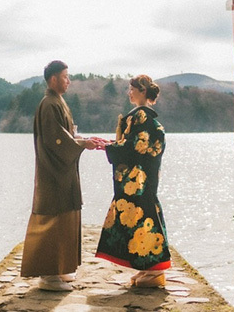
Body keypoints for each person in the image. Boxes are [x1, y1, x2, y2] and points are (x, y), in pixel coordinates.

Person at [20, 60, 105, 291]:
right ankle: (48, 276)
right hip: (53, 173)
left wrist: (82, 140)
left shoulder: (58, 102)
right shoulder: (49, 104)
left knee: (66, 219)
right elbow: (57, 140)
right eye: (66, 76)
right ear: (53, 79)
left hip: (62, 171)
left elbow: (67, 135)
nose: (69, 81)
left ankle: (60, 269)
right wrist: (81, 144)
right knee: (53, 221)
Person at [95, 74, 172, 287]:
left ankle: (155, 272)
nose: (129, 92)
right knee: (144, 216)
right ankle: (148, 269)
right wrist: (111, 144)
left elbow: (133, 147)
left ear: (143, 91)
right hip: (144, 177)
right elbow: (133, 144)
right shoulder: (145, 117)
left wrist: (108, 147)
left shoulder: (140, 117)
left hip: (138, 180)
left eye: (132, 88)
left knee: (142, 217)